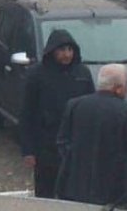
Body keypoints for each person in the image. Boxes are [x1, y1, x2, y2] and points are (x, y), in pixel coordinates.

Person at [56, 64, 127, 209]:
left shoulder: (75, 106)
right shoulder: (126, 113)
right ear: (118, 88)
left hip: (76, 187)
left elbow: (62, 141)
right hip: (114, 192)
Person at [20, 29, 95, 199]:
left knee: (73, 193)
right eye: (61, 50)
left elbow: (91, 109)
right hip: (46, 144)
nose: (66, 55)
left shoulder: (82, 73)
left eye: (69, 50)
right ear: (52, 51)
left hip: (75, 144)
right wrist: (28, 151)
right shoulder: (37, 75)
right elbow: (27, 114)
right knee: (46, 192)